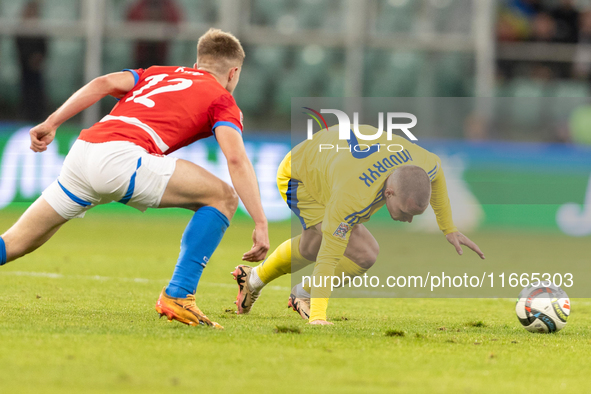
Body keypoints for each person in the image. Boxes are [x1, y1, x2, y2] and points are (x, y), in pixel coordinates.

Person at [0, 28, 270, 329]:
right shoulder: (222, 99)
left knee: (15, 242)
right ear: (233, 73)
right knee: (223, 197)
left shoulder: (157, 74)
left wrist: (52, 123)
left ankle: (179, 295)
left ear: (197, 64)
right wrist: (260, 221)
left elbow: (103, 83)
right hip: (121, 159)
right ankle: (179, 295)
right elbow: (236, 158)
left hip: (83, 152)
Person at [232, 125, 485, 325]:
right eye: (406, 213)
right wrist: (319, 316)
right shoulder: (353, 198)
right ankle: (301, 294)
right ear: (389, 193)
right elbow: (329, 257)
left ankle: (253, 279)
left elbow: (438, 173)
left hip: (333, 156)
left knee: (311, 246)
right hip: (299, 174)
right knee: (362, 251)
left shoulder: (424, 162)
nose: (408, 220)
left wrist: (448, 227)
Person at [16, 0, 48, 121]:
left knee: (38, 93)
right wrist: (28, 59)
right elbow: (19, 47)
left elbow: (44, 46)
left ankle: (39, 117)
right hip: (25, 68)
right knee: (26, 93)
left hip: (37, 68)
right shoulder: (20, 30)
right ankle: (25, 117)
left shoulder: (39, 30)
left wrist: (38, 58)